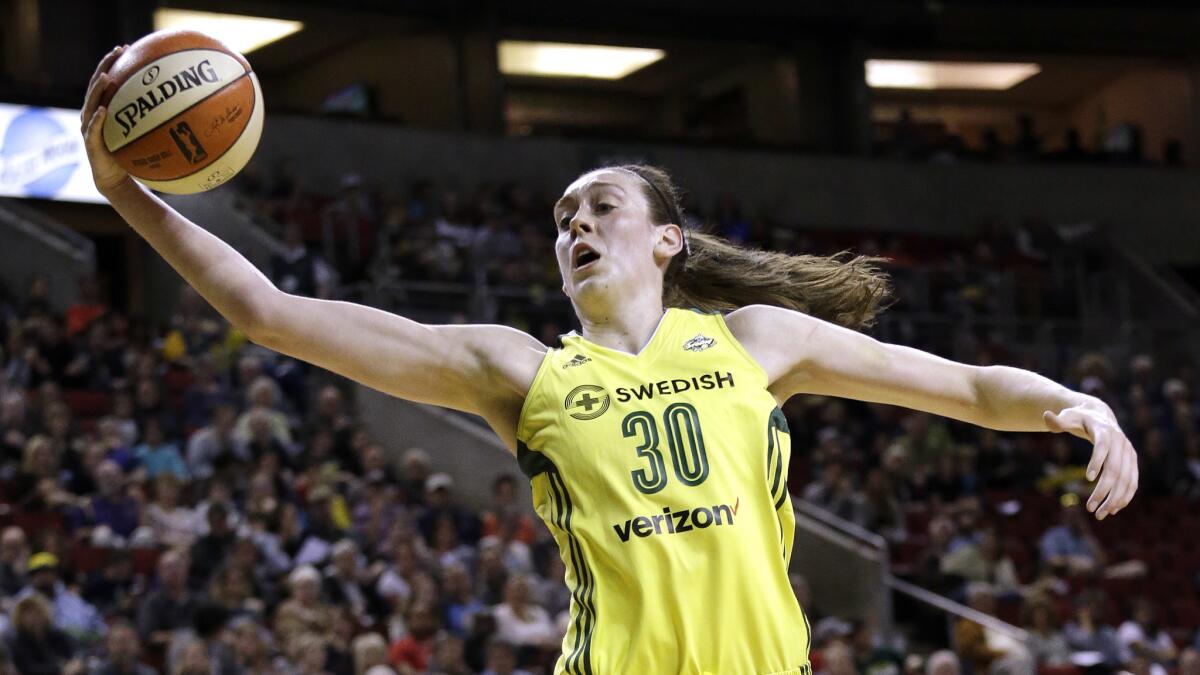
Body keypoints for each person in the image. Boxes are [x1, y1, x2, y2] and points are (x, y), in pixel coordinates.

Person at [80, 46, 1140, 674]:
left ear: (664, 239)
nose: (575, 226)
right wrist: (125, 191)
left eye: (600, 207)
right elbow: (267, 311)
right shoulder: (520, 372)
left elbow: (962, 388)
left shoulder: (757, 340)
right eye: (560, 218)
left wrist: (1074, 401)